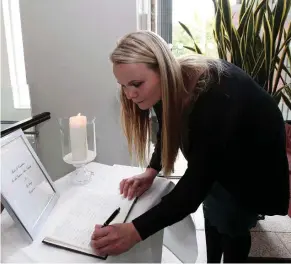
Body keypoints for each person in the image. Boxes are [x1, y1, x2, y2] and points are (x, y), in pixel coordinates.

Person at [90, 30, 290, 263]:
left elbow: (193, 189)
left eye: (136, 84)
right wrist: (151, 171)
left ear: (162, 70)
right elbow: (166, 128)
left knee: (233, 220)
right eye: (123, 85)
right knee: (214, 211)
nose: (130, 94)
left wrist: (135, 231)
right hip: (222, 150)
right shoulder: (164, 86)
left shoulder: (216, 98)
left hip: (252, 157)